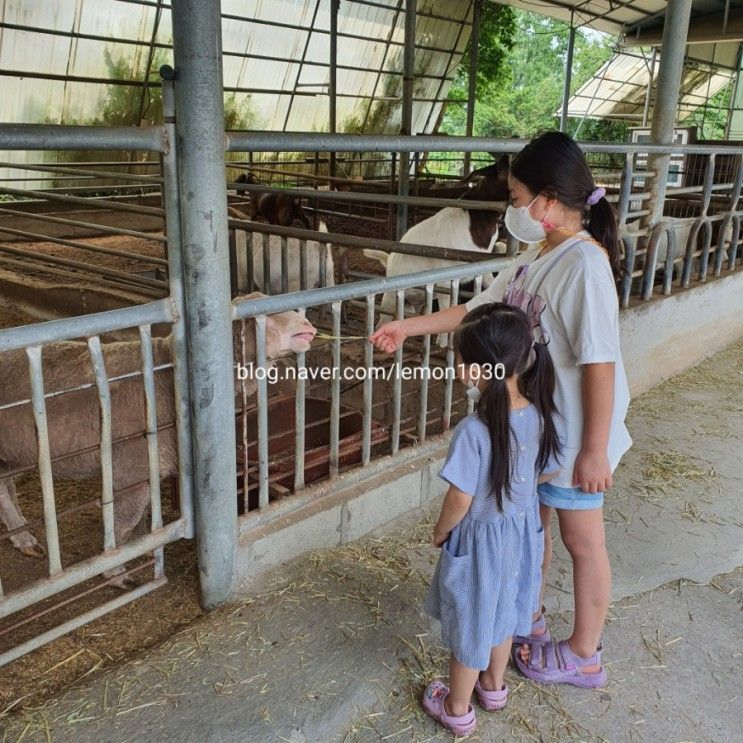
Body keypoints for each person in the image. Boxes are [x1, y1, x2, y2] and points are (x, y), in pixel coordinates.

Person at [370, 131, 632, 689]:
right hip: (536, 429)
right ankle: (522, 615)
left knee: (581, 540)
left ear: (548, 198)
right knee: (529, 530)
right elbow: (479, 307)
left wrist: (593, 450)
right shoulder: (538, 254)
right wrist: (405, 325)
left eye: (516, 199)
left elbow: (601, 363)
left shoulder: (584, 265)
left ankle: (585, 652)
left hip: (575, 434)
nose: (512, 210)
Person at [421, 302, 561, 737]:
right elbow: (550, 469)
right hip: (521, 533)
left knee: (472, 621)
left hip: (480, 541)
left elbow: (460, 497)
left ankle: (457, 707)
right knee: (504, 613)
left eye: (461, 360)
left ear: (476, 370)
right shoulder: (539, 414)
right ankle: (494, 686)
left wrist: (442, 530)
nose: (460, 368)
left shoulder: (474, 431)